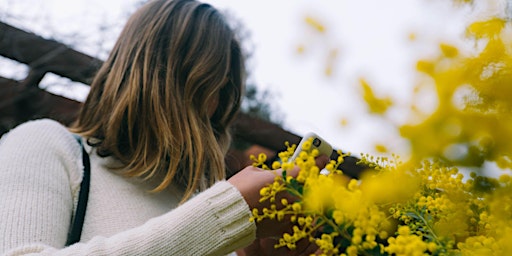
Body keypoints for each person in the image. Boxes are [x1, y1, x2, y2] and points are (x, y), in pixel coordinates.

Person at [0, 0, 329, 255]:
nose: (214, 106)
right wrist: (226, 215)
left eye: (223, 91)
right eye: (206, 83)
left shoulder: (201, 203)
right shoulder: (47, 145)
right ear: (151, 70)